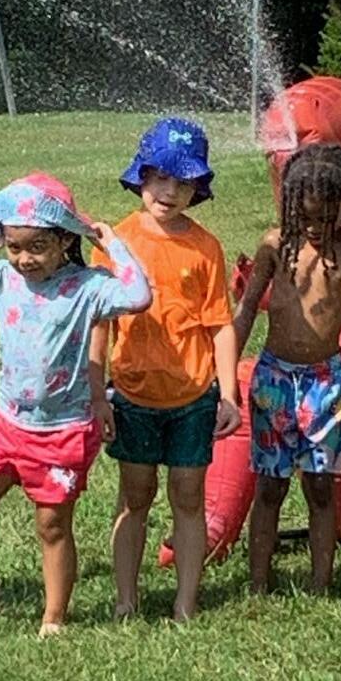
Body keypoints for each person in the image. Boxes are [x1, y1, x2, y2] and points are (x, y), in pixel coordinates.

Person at [0, 173, 151, 636]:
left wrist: (112, 244)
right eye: (14, 247)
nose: (24, 258)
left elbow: (138, 295)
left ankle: (54, 618)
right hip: (8, 426)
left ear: (65, 240)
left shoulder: (88, 287)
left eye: (37, 247)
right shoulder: (1, 279)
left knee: (52, 525)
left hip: (62, 432)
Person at [89, 116, 241, 622]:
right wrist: (96, 393)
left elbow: (220, 326)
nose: (169, 192)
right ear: (141, 176)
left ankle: (185, 603)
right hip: (133, 394)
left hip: (193, 396)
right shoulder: (116, 243)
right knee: (134, 495)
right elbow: (99, 325)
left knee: (188, 497)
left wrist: (229, 393)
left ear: (198, 189)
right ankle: (125, 600)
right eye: (160, 178)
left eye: (183, 182)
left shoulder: (205, 247)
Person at [234, 143, 341, 596]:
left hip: (327, 384)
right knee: (269, 486)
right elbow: (246, 309)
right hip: (274, 380)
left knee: (320, 486)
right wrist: (222, 374)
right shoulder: (275, 245)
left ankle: (322, 585)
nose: (316, 227)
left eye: (326, 217)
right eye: (305, 217)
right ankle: (257, 583)